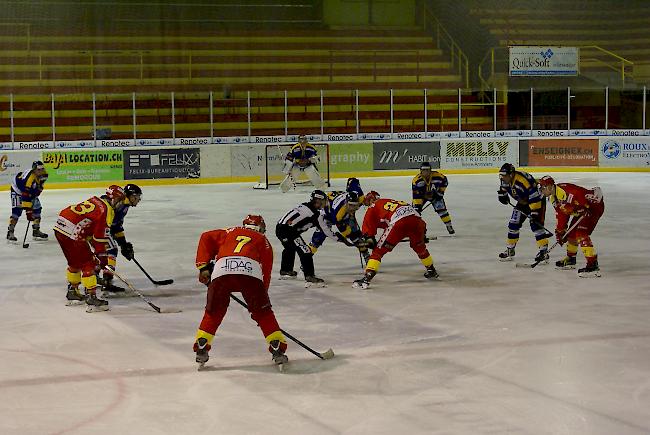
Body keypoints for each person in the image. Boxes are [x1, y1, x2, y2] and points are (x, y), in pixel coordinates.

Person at [193, 215, 288, 369]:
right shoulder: (264, 242)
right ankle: (276, 347)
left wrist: (203, 267)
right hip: (250, 274)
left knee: (213, 312)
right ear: (261, 227)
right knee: (264, 314)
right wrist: (260, 302)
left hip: (222, 271)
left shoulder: (230, 231)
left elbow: (206, 236)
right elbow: (266, 271)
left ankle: (202, 344)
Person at [53, 185, 126, 312]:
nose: (120, 204)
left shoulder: (96, 200)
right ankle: (91, 297)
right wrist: (102, 257)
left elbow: (90, 227)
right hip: (73, 232)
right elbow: (99, 237)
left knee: (74, 262)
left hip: (60, 226)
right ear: (114, 199)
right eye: (120, 201)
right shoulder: (107, 210)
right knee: (89, 264)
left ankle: (73, 291)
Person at [353, 194, 438, 289]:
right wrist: (422, 236)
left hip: (398, 224)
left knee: (378, 251)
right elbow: (418, 220)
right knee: (419, 247)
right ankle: (431, 270)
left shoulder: (373, 206)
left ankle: (366, 279)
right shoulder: (396, 202)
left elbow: (368, 231)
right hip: (418, 222)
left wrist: (370, 240)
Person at [539, 176, 604, 277]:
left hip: (593, 208)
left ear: (550, 187)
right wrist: (560, 232)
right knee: (571, 234)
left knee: (581, 233)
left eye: (543, 187)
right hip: (580, 210)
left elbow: (587, 197)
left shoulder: (569, 192)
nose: (541, 190)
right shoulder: (554, 198)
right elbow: (561, 215)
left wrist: (585, 208)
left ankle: (593, 265)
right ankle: (571, 259)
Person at [276, 190, 339, 286]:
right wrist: (340, 239)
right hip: (289, 231)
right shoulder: (315, 214)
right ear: (317, 201)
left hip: (280, 228)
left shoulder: (304, 206)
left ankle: (286, 270)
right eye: (323, 201)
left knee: (289, 248)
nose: (325, 203)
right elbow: (326, 231)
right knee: (306, 251)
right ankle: (309, 276)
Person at [497, 163, 549, 263]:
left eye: (504, 175)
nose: (502, 177)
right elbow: (503, 188)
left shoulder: (522, 181)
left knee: (536, 226)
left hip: (536, 201)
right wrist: (502, 195)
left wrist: (534, 213)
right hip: (523, 202)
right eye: (501, 175)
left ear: (511, 174)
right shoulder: (505, 179)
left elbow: (534, 196)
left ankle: (544, 252)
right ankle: (510, 250)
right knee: (513, 224)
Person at [97, 184, 142, 294]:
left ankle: (99, 279)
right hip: (97, 229)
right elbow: (110, 224)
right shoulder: (119, 203)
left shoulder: (125, 205)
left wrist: (123, 243)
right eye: (136, 197)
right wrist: (122, 244)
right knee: (110, 251)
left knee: (105, 252)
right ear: (129, 196)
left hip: (101, 229)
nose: (138, 200)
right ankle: (106, 281)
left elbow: (117, 225)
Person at [7, 161, 49, 242]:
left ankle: (36, 230)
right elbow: (25, 194)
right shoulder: (29, 178)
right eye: (39, 169)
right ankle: (10, 232)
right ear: (34, 170)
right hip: (17, 190)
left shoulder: (44, 175)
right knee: (17, 211)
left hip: (29, 192)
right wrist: (28, 211)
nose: (41, 171)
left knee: (37, 209)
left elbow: (40, 187)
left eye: (42, 169)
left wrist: (36, 194)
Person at [412, 162, 455, 235]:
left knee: (442, 210)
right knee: (415, 212)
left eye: (427, 170)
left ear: (430, 170)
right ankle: (413, 229)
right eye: (423, 170)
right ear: (420, 171)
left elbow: (445, 182)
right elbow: (416, 195)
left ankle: (449, 226)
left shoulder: (438, 176)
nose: (425, 172)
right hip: (422, 196)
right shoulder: (416, 180)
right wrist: (418, 205)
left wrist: (440, 193)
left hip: (435, 194)